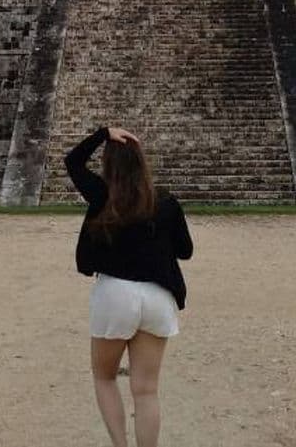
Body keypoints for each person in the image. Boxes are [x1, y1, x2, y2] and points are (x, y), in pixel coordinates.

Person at [64, 125, 194, 447]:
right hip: (157, 297)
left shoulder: (101, 195)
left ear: (110, 166)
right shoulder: (165, 202)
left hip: (115, 295)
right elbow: (185, 250)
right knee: (147, 391)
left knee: (105, 377)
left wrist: (102, 134)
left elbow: (73, 162)